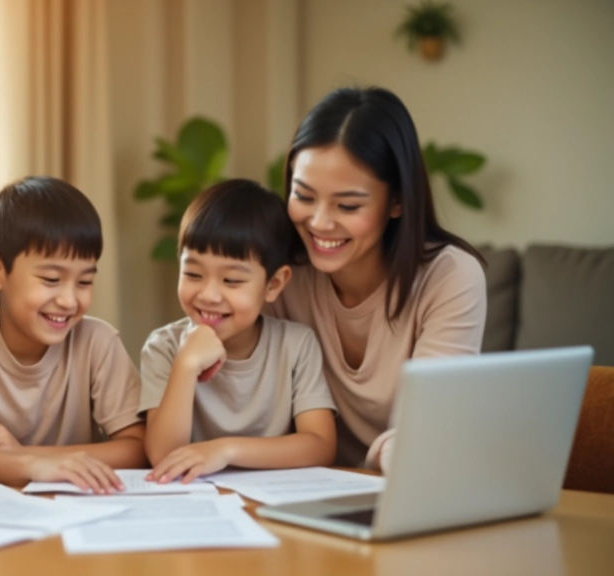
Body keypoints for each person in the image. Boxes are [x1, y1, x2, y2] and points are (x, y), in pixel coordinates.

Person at [268, 86, 487, 470]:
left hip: (408, 489)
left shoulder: (450, 277)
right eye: (303, 196)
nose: (319, 222)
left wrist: (401, 451)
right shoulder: (279, 273)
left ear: (398, 201)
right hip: (293, 491)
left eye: (348, 205)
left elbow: (426, 432)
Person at [0, 176, 147, 494]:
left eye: (84, 282)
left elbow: (137, 447)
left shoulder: (98, 343)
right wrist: (30, 466)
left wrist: (23, 454)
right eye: (51, 279)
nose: (69, 300)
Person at [140, 179, 337, 483]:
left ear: (273, 284)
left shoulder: (296, 345)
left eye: (231, 281)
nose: (209, 295)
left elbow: (321, 445)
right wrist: (187, 365)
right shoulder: (164, 346)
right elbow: (164, 456)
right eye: (193, 274)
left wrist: (225, 451)